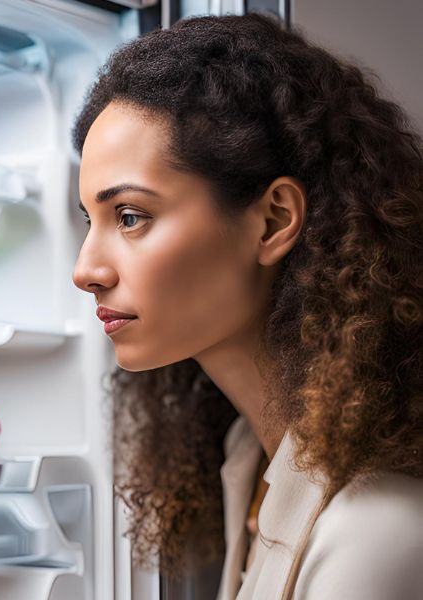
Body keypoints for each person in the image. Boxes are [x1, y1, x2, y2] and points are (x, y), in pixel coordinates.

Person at [72, 13, 422, 600]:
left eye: (130, 216)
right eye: (91, 220)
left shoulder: (376, 532)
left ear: (274, 221)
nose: (86, 270)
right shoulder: (245, 459)